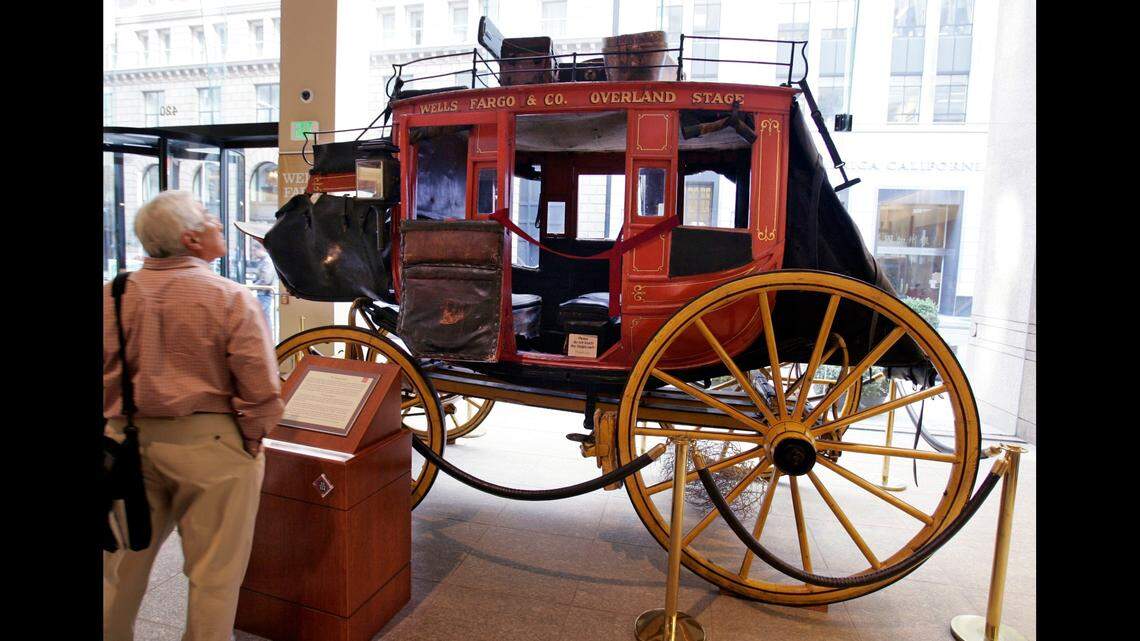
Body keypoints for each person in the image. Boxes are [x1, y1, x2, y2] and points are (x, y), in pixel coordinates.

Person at [103, 191, 284, 641]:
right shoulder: (229, 298)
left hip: (124, 444)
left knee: (120, 566)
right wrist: (253, 440)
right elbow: (261, 389)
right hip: (214, 449)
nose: (219, 224)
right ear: (190, 238)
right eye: (209, 218)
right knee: (214, 577)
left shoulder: (111, 295)